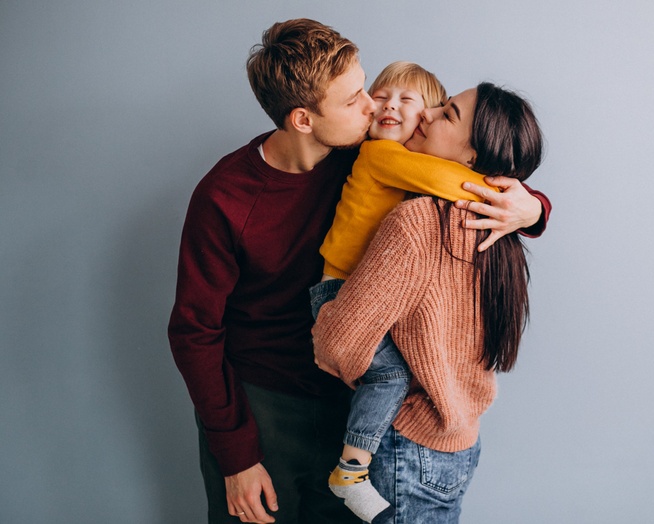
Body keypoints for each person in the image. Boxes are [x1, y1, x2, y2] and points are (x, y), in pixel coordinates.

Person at [167, 19, 551, 524]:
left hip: (355, 404)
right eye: (353, 101)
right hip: (261, 407)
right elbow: (194, 331)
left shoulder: (370, 155)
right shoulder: (224, 197)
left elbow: (472, 162)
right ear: (304, 119)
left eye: (364, 87)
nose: (374, 106)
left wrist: (533, 208)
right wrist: (235, 456)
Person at [312, 82, 546, 523]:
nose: (427, 114)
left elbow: (339, 345)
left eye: (448, 114)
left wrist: (326, 327)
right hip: (459, 442)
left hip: (408, 448)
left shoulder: (417, 222)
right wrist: (531, 207)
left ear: (473, 156)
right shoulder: (500, 226)